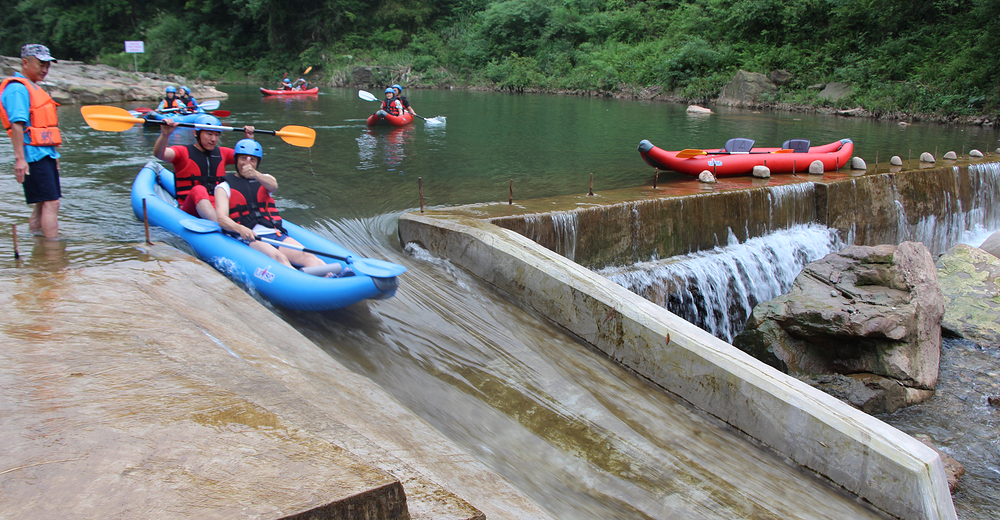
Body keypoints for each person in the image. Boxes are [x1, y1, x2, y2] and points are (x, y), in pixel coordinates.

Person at [214, 139, 345, 275]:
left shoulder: (264, 179)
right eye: (243, 158)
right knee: (279, 257)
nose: (247, 163)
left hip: (274, 233)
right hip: (250, 237)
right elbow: (222, 218)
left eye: (252, 159)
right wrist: (240, 228)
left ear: (257, 162)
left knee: (307, 255)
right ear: (236, 159)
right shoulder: (224, 187)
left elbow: (274, 185)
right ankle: (304, 281)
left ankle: (331, 277)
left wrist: (255, 174)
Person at [0, 44, 62, 238]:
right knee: (51, 203)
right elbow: (17, 125)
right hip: (33, 157)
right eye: (41, 64)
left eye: (47, 65)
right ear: (25, 63)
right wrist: (20, 159)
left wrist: (53, 155)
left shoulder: (31, 87)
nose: (45, 69)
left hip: (44, 153)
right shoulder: (17, 89)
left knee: (42, 204)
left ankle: (40, 244)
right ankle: (53, 249)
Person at [152, 114, 254, 221]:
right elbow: (160, 154)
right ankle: (221, 224)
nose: (213, 139)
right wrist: (165, 135)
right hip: (190, 207)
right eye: (209, 134)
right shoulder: (182, 152)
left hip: (219, 205)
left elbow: (247, 163)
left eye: (216, 135)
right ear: (196, 133)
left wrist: (249, 141)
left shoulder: (222, 153)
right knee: (199, 189)